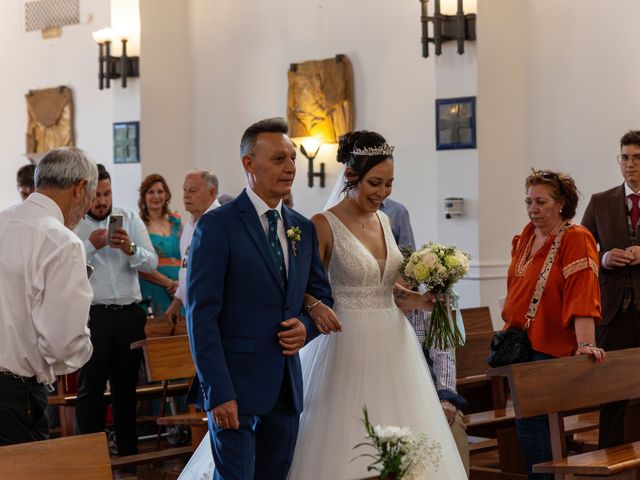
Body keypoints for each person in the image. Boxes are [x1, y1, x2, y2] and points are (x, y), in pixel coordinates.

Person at [287, 130, 467, 479]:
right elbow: (297, 289)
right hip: (344, 342)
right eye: (375, 183)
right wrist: (313, 307)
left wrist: (421, 300)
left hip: (394, 342)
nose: (382, 193)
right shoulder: (323, 225)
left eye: (389, 184)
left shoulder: (384, 220)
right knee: (346, 435)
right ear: (351, 176)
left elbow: (386, 287)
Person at [186, 117, 334, 480]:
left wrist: (305, 327)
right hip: (234, 387)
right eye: (279, 159)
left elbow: (320, 295)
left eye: (292, 159)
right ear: (249, 164)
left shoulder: (301, 227)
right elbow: (201, 316)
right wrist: (217, 392)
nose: (290, 168)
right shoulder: (218, 226)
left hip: (284, 388)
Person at [502, 169, 605, 479]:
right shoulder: (526, 236)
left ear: (561, 204)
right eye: (528, 201)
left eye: (541, 202)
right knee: (527, 425)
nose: (533, 208)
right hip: (520, 345)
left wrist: (585, 343)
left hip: (551, 346)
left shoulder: (575, 237)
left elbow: (582, 292)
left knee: (535, 425)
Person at [0, 147, 97, 445]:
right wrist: (83, 349)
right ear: (80, 188)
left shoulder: (3, 220)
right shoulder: (63, 242)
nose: (88, 207)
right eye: (92, 196)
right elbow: (63, 344)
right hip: (14, 396)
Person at [74, 164, 158, 456]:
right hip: (93, 316)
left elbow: (152, 263)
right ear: (85, 192)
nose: (102, 201)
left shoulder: (130, 218)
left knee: (126, 391)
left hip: (128, 315)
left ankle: (130, 459)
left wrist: (130, 248)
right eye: (97, 195)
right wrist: (90, 245)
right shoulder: (74, 222)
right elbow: (63, 264)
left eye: (107, 194)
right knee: (90, 392)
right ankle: (90, 460)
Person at [582, 130, 640, 449]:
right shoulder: (600, 202)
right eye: (625, 157)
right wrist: (604, 257)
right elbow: (581, 250)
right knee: (612, 395)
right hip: (613, 313)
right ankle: (608, 461)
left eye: (636, 157)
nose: (629, 164)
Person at [407, 310, 470, 476]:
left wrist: (446, 398)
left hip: (429, 395)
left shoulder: (426, 308)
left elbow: (442, 354)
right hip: (391, 395)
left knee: (454, 425)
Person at [164, 169, 220, 321]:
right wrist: (177, 301)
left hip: (215, 312)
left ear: (212, 192)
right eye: (184, 190)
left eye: (193, 190)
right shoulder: (190, 225)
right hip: (194, 311)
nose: (186, 195)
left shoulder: (221, 223)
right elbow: (185, 268)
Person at [137, 174, 183, 316]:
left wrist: (180, 284)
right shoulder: (139, 225)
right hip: (154, 287)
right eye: (151, 192)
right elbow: (139, 263)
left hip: (179, 289)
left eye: (160, 191)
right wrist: (168, 283)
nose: (156, 196)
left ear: (167, 195)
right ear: (144, 196)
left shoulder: (176, 222)